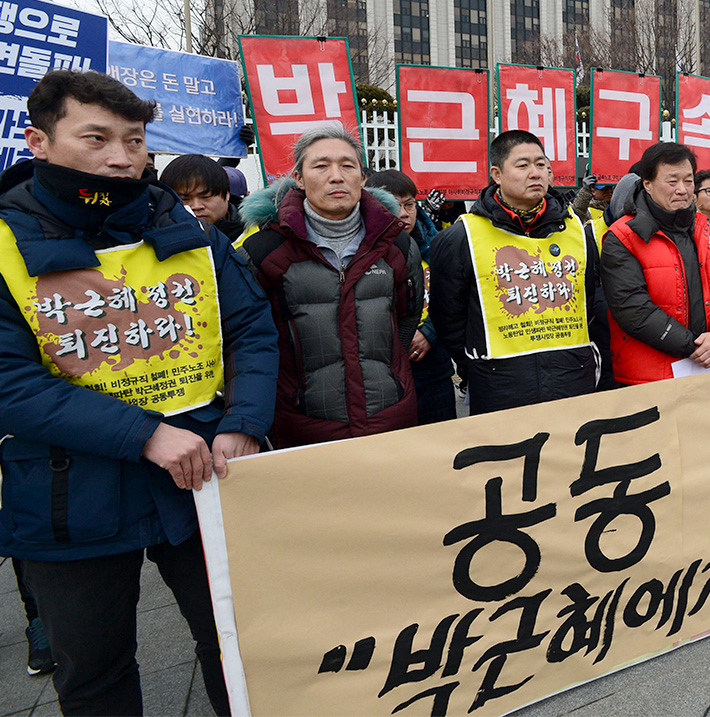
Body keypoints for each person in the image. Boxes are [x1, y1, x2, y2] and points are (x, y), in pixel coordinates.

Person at [0, 70, 278, 715]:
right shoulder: (6, 241)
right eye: (95, 138)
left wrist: (243, 422)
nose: (121, 158)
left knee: (236, 647)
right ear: (37, 140)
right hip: (67, 497)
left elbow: (251, 330)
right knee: (95, 675)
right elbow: (11, 384)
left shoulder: (187, 228)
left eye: (134, 140)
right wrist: (146, 434)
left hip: (204, 477)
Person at [239, 124, 423, 447]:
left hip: (391, 421)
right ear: (298, 177)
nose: (336, 176)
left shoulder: (398, 246)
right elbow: (247, 338)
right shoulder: (263, 252)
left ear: (363, 178)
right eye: (321, 166)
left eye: (347, 166)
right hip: (304, 428)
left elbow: (407, 315)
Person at [430, 130, 604, 412]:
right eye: (523, 165)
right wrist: (476, 365)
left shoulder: (577, 232)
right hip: (500, 388)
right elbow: (448, 317)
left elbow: (590, 300)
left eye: (541, 165)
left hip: (572, 381)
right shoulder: (463, 237)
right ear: (497, 174)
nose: (535, 173)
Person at [601, 143, 710, 383]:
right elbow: (632, 308)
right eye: (672, 181)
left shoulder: (704, 229)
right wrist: (693, 347)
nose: (682, 190)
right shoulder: (623, 236)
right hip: (649, 377)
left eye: (688, 181)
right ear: (647, 184)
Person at [366, 169, 457, 425]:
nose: (404, 213)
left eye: (410, 204)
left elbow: (453, 299)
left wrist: (429, 333)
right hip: (381, 377)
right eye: (394, 205)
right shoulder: (361, 253)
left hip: (433, 372)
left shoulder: (437, 247)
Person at [160, 153, 246, 241]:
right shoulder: (157, 238)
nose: (196, 206)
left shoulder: (254, 235)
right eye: (184, 199)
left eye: (206, 197)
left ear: (227, 194)